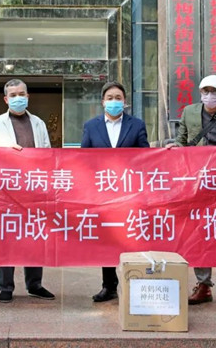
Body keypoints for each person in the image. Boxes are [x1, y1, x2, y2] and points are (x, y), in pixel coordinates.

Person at [166, 74, 216, 310]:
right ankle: (203, 285)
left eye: (215, 91)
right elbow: (182, 140)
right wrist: (175, 146)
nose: (210, 95)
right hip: (196, 181)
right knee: (199, 232)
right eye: (206, 91)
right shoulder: (189, 112)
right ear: (200, 93)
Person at [0, 79, 55, 303]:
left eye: (21, 94)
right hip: (7, 191)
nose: (18, 98)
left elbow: (48, 153)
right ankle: (6, 286)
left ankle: (35, 284)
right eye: (13, 95)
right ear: (6, 99)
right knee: (8, 237)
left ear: (28, 96)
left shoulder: (39, 123)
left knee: (35, 236)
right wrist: (6, 152)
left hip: (34, 188)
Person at [82, 81, 149, 303]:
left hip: (130, 191)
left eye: (118, 98)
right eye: (110, 98)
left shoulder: (136, 125)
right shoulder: (91, 126)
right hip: (103, 191)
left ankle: (134, 283)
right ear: (103, 102)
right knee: (107, 238)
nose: (114, 102)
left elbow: (146, 157)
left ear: (125, 102)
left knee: (131, 237)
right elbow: (84, 158)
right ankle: (108, 285)